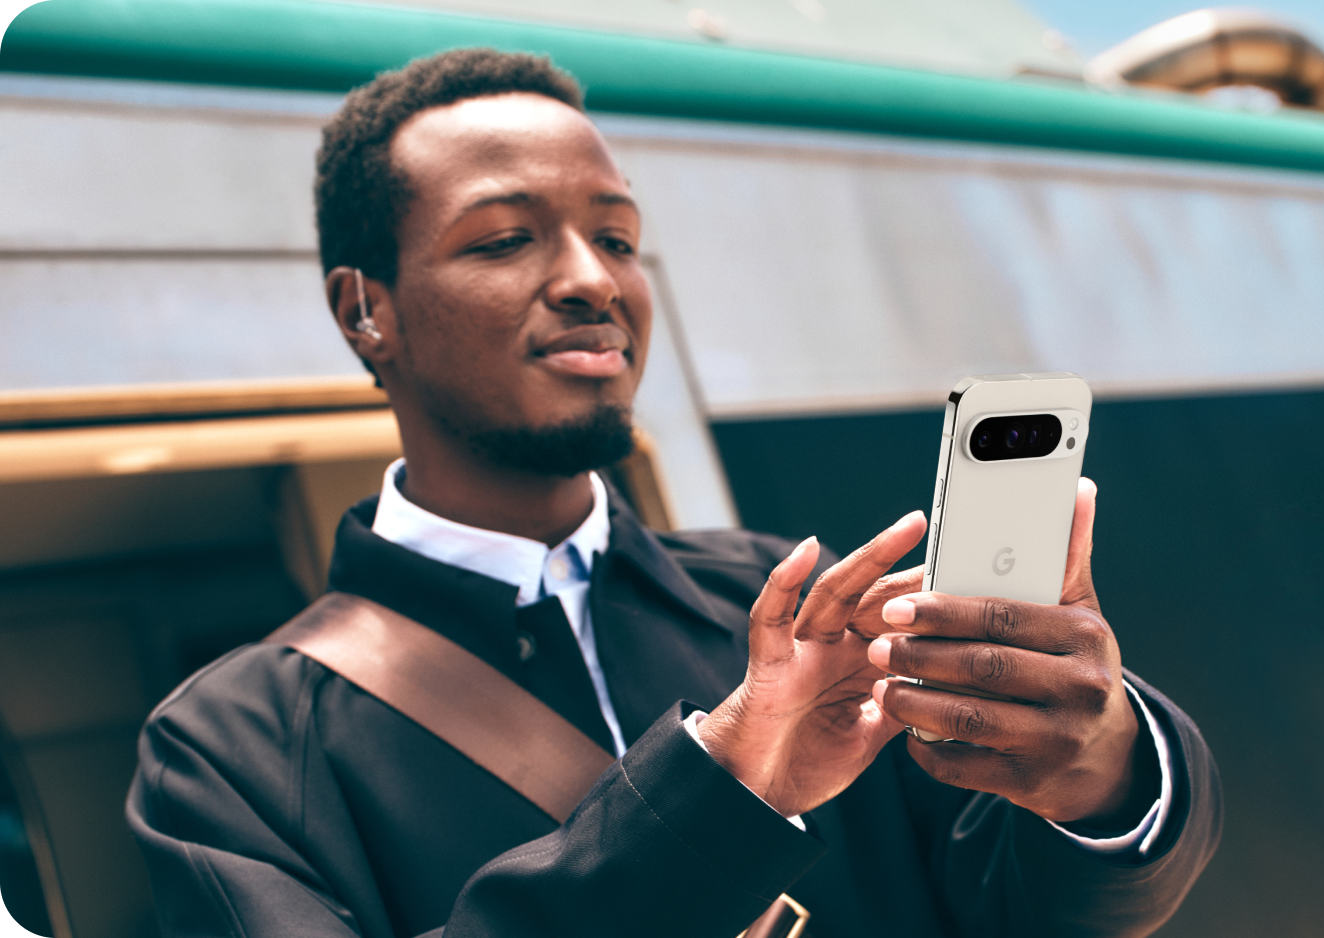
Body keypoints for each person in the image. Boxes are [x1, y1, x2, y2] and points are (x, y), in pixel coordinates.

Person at [127, 48, 1221, 938]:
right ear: (367, 310)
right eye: (507, 239)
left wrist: (1105, 771)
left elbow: (1029, 913)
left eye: (618, 238)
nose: (595, 279)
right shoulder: (227, 750)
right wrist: (722, 778)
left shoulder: (792, 598)